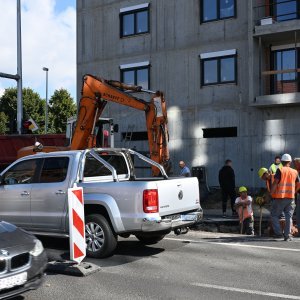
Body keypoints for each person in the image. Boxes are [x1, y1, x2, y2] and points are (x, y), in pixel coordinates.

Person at [270, 153, 299, 241]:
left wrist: (271, 193)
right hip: (291, 197)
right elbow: (298, 184)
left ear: (282, 162)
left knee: (274, 215)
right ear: (290, 162)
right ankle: (287, 235)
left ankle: (279, 234)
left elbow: (275, 182)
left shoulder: (280, 170)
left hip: (280, 197)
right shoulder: (295, 171)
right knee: (288, 216)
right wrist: (294, 191)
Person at [293, 158, 300, 230]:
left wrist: (294, 192)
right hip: (298, 194)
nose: (294, 165)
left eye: (296, 163)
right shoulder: (296, 171)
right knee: (298, 213)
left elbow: (299, 184)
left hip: (298, 193)